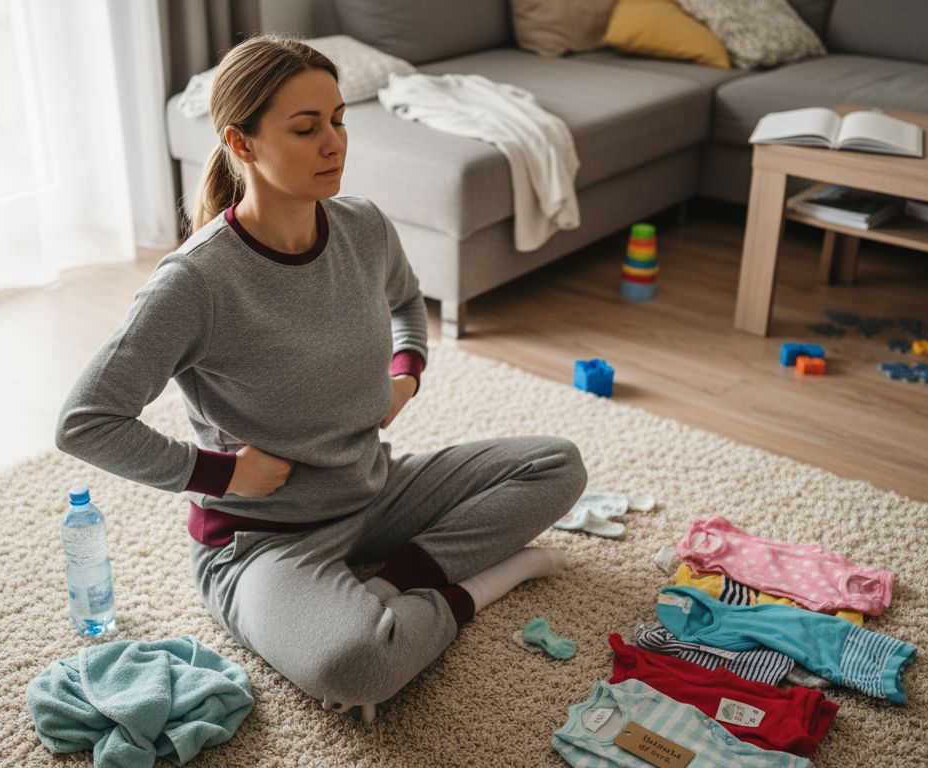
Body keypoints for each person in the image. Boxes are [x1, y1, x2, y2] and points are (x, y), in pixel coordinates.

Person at [55, 35, 587, 723]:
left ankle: (395, 586)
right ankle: (478, 584)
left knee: (558, 465)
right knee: (357, 667)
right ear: (241, 144)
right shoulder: (195, 282)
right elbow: (85, 422)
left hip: (374, 489)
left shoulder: (362, 225)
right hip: (261, 539)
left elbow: (406, 303)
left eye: (338, 120)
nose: (334, 142)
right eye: (306, 128)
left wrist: (407, 375)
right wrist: (221, 475)